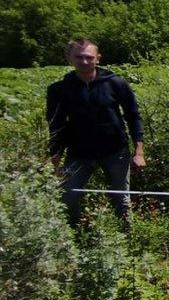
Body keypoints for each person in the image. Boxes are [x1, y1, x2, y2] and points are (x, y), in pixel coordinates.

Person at [46, 38, 146, 228]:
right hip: (78, 153)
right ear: (69, 58)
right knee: (68, 196)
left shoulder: (116, 83)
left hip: (115, 151)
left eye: (89, 57)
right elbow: (56, 126)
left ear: (97, 58)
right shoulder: (59, 90)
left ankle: (126, 238)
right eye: (79, 57)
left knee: (121, 200)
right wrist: (55, 160)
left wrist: (139, 152)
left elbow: (133, 116)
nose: (84, 61)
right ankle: (73, 237)